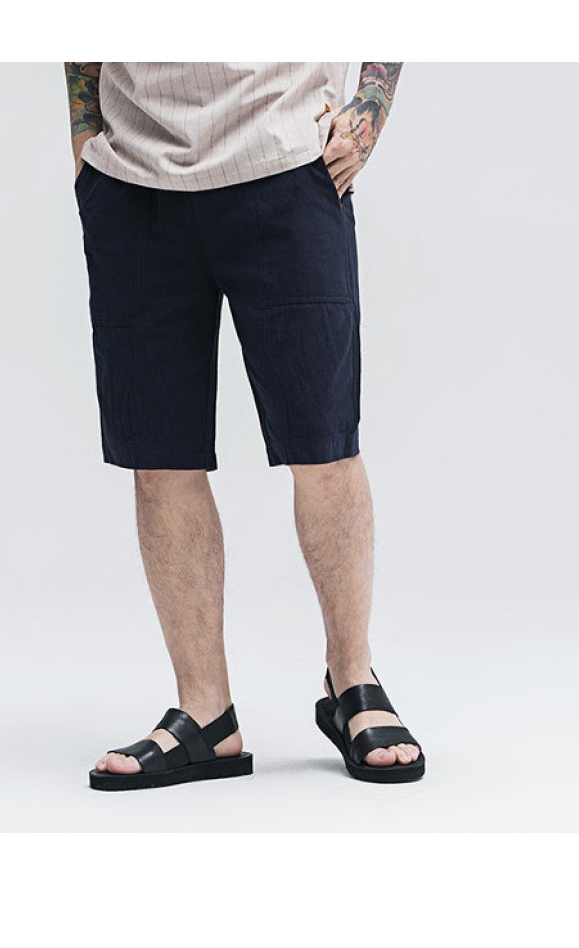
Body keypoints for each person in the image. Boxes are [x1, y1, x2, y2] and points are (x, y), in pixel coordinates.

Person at [64, 62, 425, 791]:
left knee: (323, 446)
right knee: (159, 456)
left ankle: (351, 679)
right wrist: (86, 136)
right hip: (133, 182)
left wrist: (370, 107)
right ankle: (206, 715)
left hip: (286, 166)